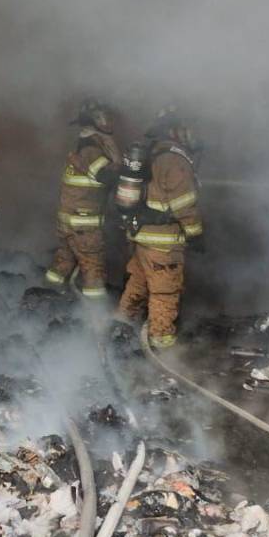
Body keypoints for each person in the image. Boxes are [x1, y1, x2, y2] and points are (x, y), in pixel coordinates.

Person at [116, 107, 204, 350]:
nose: (192, 134)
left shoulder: (153, 153)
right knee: (165, 293)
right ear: (175, 130)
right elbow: (183, 204)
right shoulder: (175, 160)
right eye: (188, 129)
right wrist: (196, 234)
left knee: (138, 285)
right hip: (163, 243)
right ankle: (162, 349)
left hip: (142, 238)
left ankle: (119, 331)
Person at [45, 99, 121, 298]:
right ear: (93, 120)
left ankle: (45, 298)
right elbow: (106, 176)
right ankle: (93, 317)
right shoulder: (91, 148)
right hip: (83, 223)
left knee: (64, 260)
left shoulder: (82, 143)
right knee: (93, 268)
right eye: (103, 117)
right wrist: (133, 171)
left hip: (69, 219)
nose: (108, 121)